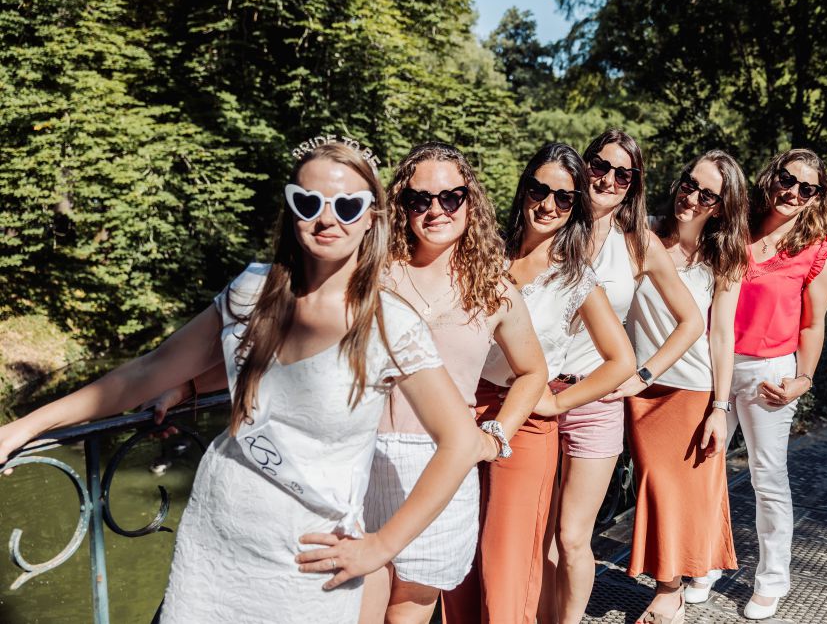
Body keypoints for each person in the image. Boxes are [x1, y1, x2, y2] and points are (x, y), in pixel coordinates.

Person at [0, 141, 491, 623]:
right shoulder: (252, 291)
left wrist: (382, 546)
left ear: (371, 217)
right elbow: (146, 372)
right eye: (309, 203)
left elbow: (460, 442)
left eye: (347, 206)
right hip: (215, 545)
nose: (327, 219)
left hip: (310, 561)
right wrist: (23, 427)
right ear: (290, 209)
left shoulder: (390, 325)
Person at [443, 142, 636, 624]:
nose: (548, 205)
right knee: (457, 547)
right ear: (524, 189)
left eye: (564, 198)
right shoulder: (485, 254)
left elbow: (621, 361)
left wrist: (557, 404)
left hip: (527, 419)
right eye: (539, 190)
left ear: (575, 207)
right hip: (463, 409)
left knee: (506, 557)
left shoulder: (575, 279)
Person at [358, 142, 548, 624]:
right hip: (364, 461)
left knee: (410, 608)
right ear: (402, 206)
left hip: (444, 466)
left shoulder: (493, 288)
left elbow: (532, 372)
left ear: (470, 201)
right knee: (356, 605)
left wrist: (496, 435)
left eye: (450, 197)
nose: (436, 210)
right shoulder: (371, 273)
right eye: (419, 200)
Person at [539, 129, 703, 624]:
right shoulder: (551, 221)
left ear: (634, 184)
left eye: (623, 174)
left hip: (595, 400)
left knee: (572, 535)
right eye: (600, 166)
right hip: (536, 395)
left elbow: (691, 321)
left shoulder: (637, 244)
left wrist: (645, 374)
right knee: (537, 532)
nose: (608, 179)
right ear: (583, 164)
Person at [691, 148, 827, 620]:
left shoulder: (817, 249)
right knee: (705, 467)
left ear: (816, 197)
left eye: (807, 188)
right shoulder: (738, 225)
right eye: (787, 180)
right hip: (715, 363)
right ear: (772, 177)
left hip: (770, 372)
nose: (793, 192)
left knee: (767, 477)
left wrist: (803, 379)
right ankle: (704, 564)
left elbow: (813, 324)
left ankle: (773, 579)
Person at [624, 150, 750, 624]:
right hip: (640, 388)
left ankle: (668, 593)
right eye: (688, 183)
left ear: (720, 207)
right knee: (655, 487)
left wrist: (720, 406)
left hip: (691, 390)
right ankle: (671, 587)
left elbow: (722, 335)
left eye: (706, 194)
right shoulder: (643, 235)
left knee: (675, 491)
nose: (691, 196)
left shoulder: (724, 258)